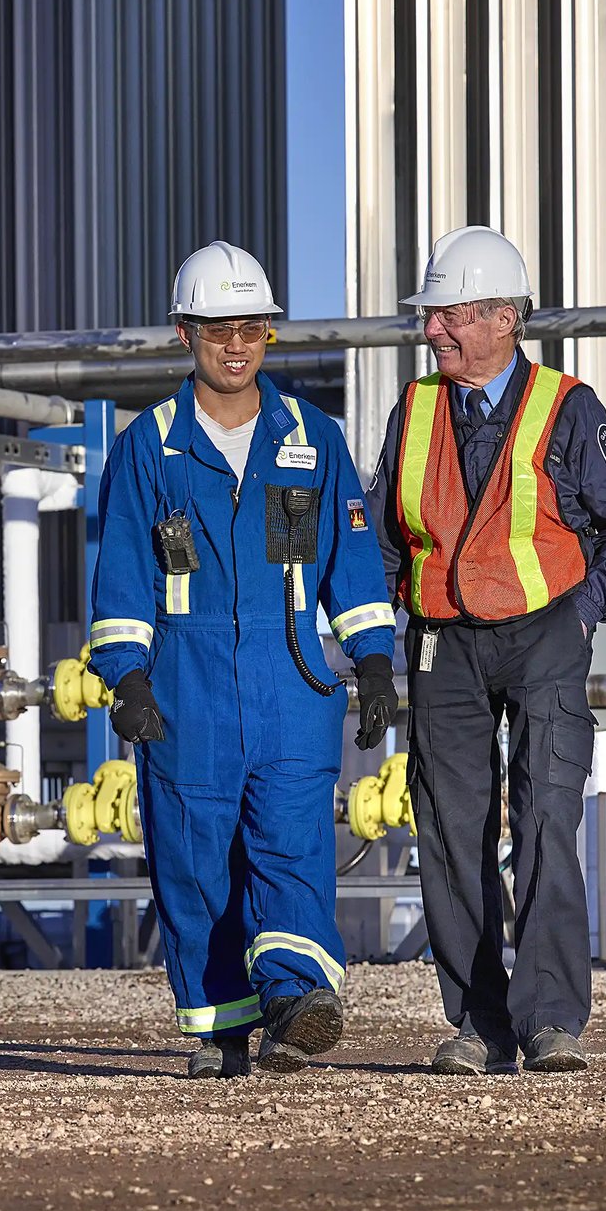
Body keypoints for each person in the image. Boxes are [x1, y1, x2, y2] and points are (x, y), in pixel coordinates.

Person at [86, 241, 398, 1078]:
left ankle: (296, 1003)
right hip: (186, 691)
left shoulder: (312, 438)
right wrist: (130, 677)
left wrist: (371, 661)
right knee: (197, 858)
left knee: (294, 846)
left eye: (253, 330)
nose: (237, 347)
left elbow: (353, 563)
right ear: (185, 333)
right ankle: (223, 1026)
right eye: (219, 330)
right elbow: (123, 571)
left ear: (269, 336)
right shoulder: (149, 446)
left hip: (293, 678)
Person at [368, 225, 606, 1075]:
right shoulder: (415, 410)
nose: (432, 332)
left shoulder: (568, 407)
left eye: (449, 316)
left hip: (544, 637)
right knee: (452, 836)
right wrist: (374, 641)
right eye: (431, 318)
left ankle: (550, 1021)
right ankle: (480, 1027)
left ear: (503, 317)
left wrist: (582, 616)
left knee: (545, 822)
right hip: (442, 645)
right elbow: (385, 538)